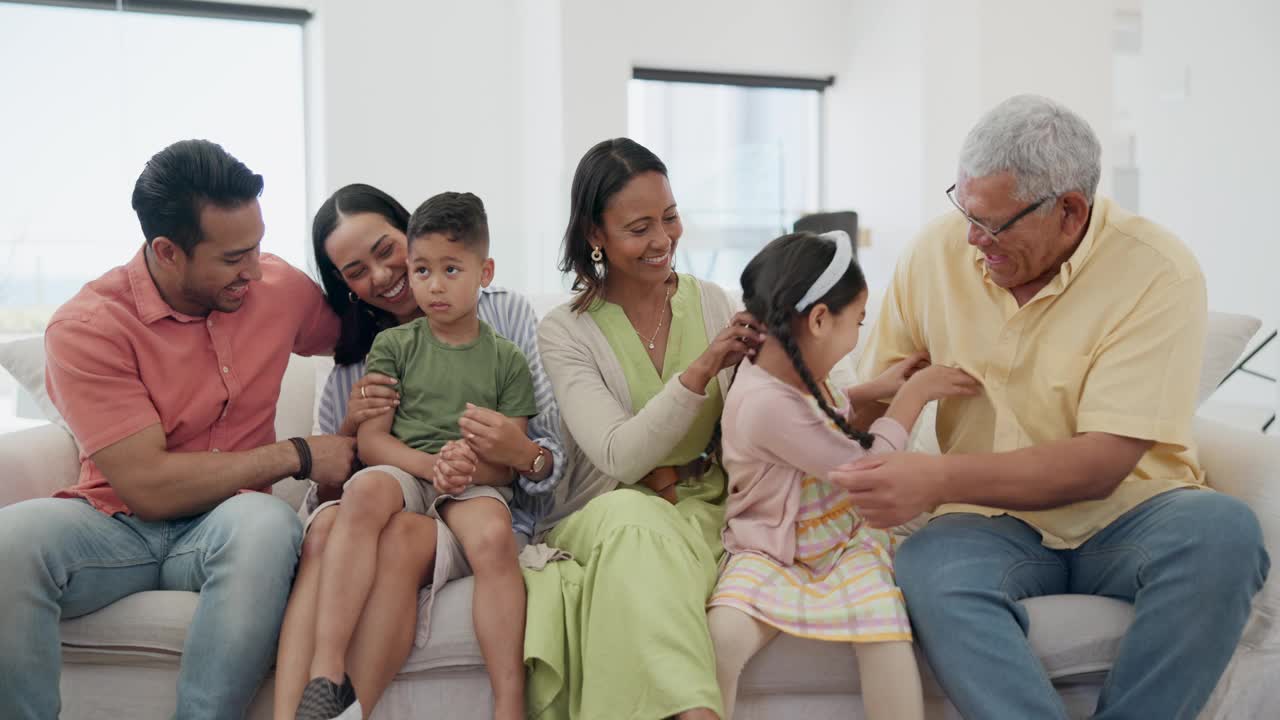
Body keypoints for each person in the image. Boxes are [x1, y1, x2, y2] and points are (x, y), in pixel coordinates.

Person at [837, 94, 1270, 720]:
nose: (970, 238)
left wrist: (934, 477)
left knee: (1224, 533)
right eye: (964, 208)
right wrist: (851, 410)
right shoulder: (936, 255)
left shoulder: (1157, 271)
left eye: (992, 223)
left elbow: (1101, 464)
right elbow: (874, 409)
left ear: (1069, 210)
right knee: (929, 563)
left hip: (1130, 515)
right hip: (986, 524)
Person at [0, 139, 352, 719]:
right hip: (114, 528)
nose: (254, 270)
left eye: (258, 245)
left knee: (266, 524)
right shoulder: (89, 326)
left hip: (232, 523)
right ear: (167, 251)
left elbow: (360, 335)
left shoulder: (276, 287)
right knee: (8, 541)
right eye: (233, 257)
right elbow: (148, 486)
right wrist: (297, 453)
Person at [278, 190, 552, 720]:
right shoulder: (365, 354)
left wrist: (505, 458)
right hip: (388, 483)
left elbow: (536, 453)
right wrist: (351, 426)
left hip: (467, 492)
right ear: (345, 286)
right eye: (357, 271)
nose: (382, 276)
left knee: (407, 535)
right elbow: (336, 480)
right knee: (328, 529)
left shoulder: (504, 333)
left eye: (388, 252)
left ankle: (360, 706)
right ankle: (316, 691)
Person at [522, 137, 766, 720]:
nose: (662, 241)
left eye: (671, 217)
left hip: (704, 509)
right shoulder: (565, 331)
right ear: (595, 235)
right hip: (608, 509)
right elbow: (618, 455)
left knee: (645, 558)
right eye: (639, 228)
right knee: (636, 528)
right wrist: (705, 366)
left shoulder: (711, 301)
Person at [707, 230, 980, 719]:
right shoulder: (765, 402)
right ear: (818, 320)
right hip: (772, 550)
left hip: (841, 539)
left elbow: (820, 412)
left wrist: (877, 388)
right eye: (857, 322)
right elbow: (870, 469)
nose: (858, 334)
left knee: (883, 629)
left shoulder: (782, 367)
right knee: (723, 636)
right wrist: (913, 395)